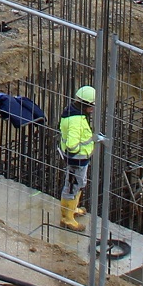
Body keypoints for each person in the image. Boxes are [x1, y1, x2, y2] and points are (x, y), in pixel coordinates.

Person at [56, 85, 96, 231]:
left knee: (77, 183)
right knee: (72, 186)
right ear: (85, 104)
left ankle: (70, 210)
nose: (92, 109)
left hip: (79, 159)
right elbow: (72, 144)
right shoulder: (76, 120)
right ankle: (67, 219)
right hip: (77, 160)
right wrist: (79, 152)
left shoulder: (73, 112)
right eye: (91, 106)